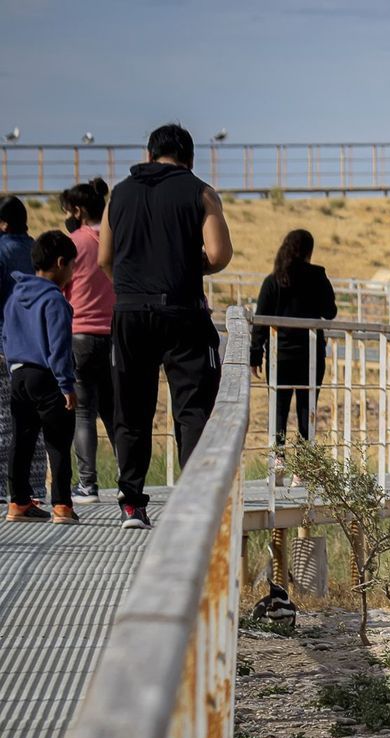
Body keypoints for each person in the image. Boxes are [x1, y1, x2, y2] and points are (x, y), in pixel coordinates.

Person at [99, 123, 232, 530]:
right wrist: (188, 268)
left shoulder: (118, 194)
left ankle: (132, 504)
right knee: (191, 408)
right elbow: (219, 253)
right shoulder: (200, 192)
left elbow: (105, 257)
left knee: (132, 407)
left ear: (149, 154)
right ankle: (191, 502)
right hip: (183, 312)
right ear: (189, 158)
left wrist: (133, 286)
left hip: (131, 313)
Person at [3, 232, 79, 524]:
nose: (72, 272)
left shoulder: (14, 297)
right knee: (58, 441)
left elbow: (7, 335)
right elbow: (58, 346)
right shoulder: (54, 301)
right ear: (60, 263)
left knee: (21, 440)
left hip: (19, 374)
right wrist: (66, 385)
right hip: (47, 376)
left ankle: (19, 503)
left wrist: (13, 366)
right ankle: (61, 505)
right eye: (72, 266)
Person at [250, 229, 337, 474]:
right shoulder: (318, 276)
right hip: (310, 355)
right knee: (306, 409)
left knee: (278, 408)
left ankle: (278, 459)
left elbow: (261, 320)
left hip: (281, 356)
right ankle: (303, 466)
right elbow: (330, 312)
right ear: (308, 251)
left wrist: (255, 355)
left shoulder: (273, 280)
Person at [60, 178, 117, 504]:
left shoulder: (73, 244)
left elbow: (64, 288)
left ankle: (88, 485)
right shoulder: (115, 240)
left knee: (84, 415)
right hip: (112, 336)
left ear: (78, 210)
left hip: (79, 334)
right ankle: (128, 482)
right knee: (113, 414)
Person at [0, 195, 48, 503]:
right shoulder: (35, 249)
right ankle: (36, 488)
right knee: (34, 418)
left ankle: (6, 489)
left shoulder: (2, 252)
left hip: (5, 338)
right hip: (37, 340)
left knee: (5, 418)